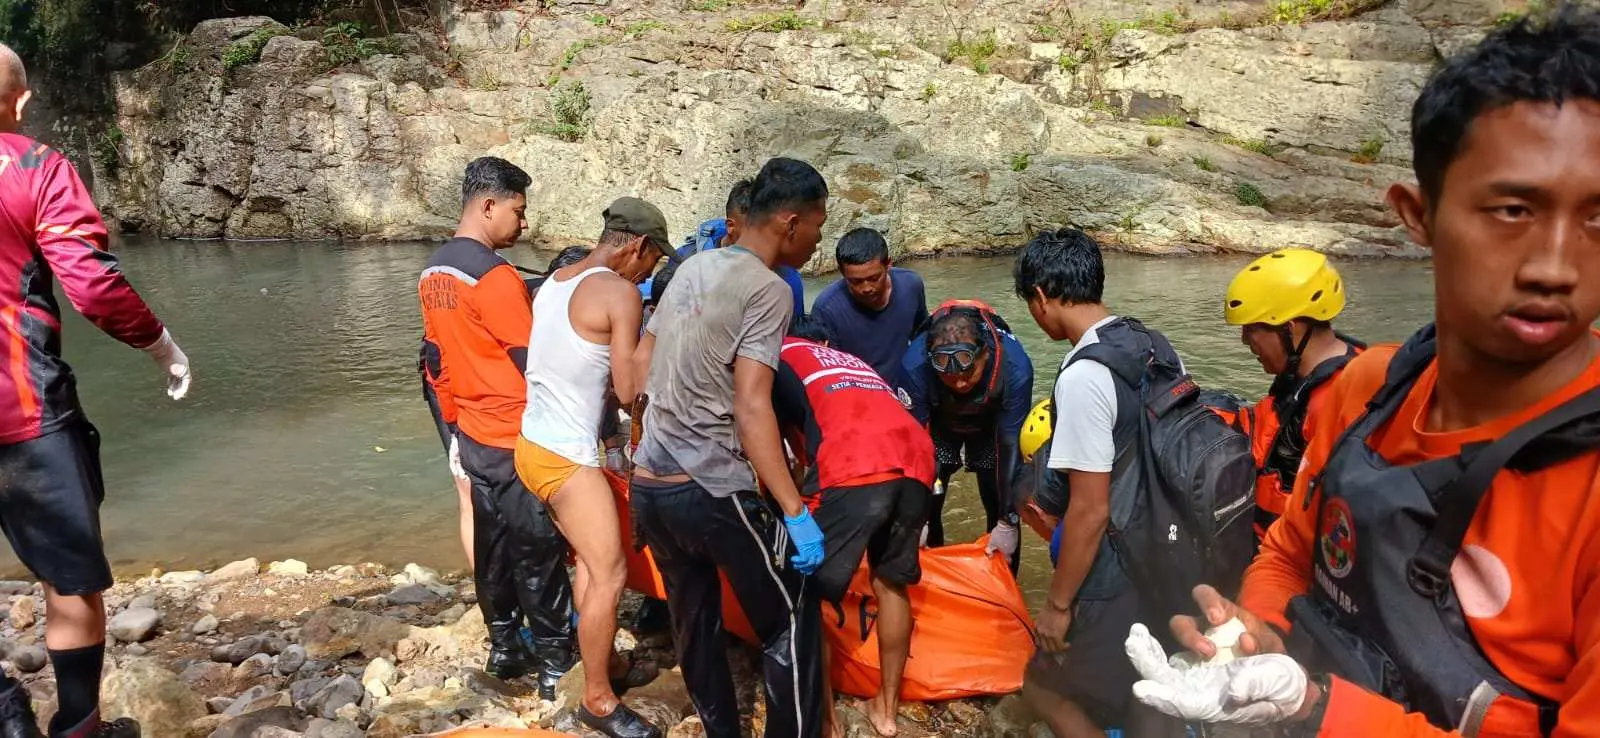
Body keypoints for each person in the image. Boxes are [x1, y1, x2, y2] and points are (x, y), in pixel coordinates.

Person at [1125, 8, 1600, 735]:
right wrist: (1258, 640)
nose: (1554, 267)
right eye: (1512, 210)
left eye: (1598, 218)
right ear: (1417, 216)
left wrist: (1315, 710)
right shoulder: (1372, 389)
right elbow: (1291, 551)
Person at [0, 43, 190, 738]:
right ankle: (78, 726)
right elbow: (91, 283)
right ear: (21, 102)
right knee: (71, 584)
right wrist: (162, 346)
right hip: (25, 414)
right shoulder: (34, 167)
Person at [629, 157, 829, 738]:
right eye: (817, 225)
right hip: (710, 490)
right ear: (790, 223)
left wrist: (641, 449)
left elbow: (640, 370)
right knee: (790, 619)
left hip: (651, 488)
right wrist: (795, 511)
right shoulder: (768, 291)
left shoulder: (692, 269)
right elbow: (751, 405)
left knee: (694, 622)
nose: (819, 240)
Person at [1013, 227, 1181, 738]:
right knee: (1151, 689)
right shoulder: (1152, 343)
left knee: (1041, 687)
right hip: (1168, 551)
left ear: (1040, 297)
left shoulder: (1084, 374)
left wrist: (1057, 606)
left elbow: (1091, 510)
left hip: (1117, 568)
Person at [417, 156, 574, 698]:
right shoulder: (495, 277)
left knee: (491, 545)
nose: (523, 224)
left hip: (472, 434)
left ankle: (504, 646)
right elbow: (534, 362)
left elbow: (435, 359)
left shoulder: (433, 271)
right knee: (537, 548)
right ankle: (556, 663)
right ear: (489, 205)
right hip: (514, 433)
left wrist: (457, 429)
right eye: (518, 210)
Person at [515, 198, 671, 738]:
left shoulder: (555, 280)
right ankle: (599, 701)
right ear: (636, 245)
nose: (649, 274)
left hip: (530, 446)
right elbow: (629, 392)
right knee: (611, 573)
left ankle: (598, 665)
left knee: (588, 561)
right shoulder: (621, 292)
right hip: (566, 459)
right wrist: (656, 332)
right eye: (652, 262)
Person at [773, 316, 934, 738]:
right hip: (917, 458)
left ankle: (826, 723)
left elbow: (774, 451)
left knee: (807, 594)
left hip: (856, 464)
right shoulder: (848, 362)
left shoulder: (772, 358)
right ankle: (886, 713)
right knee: (891, 583)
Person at [1224, 249, 1365, 541]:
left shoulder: (1336, 403)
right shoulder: (1303, 376)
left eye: (1251, 330)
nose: (1245, 341)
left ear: (1290, 328)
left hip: (1291, 565)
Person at [898, 301, 1033, 568]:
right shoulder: (914, 366)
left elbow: (1010, 444)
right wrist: (916, 517)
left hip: (990, 423)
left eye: (967, 373)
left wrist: (1008, 522)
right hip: (939, 422)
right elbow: (915, 445)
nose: (959, 383)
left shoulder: (1015, 368)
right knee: (931, 500)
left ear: (984, 355)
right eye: (948, 376)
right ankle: (931, 575)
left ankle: (1004, 587)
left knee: (997, 496)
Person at [638, 179, 807, 314]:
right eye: (754, 232)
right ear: (731, 226)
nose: (764, 243)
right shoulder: (686, 261)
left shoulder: (787, 276)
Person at [810, 228, 929, 379]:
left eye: (874, 278)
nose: (866, 288)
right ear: (842, 272)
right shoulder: (827, 309)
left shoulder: (911, 285)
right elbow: (827, 372)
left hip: (905, 388)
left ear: (888, 265)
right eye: (855, 281)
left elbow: (922, 338)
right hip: (858, 392)